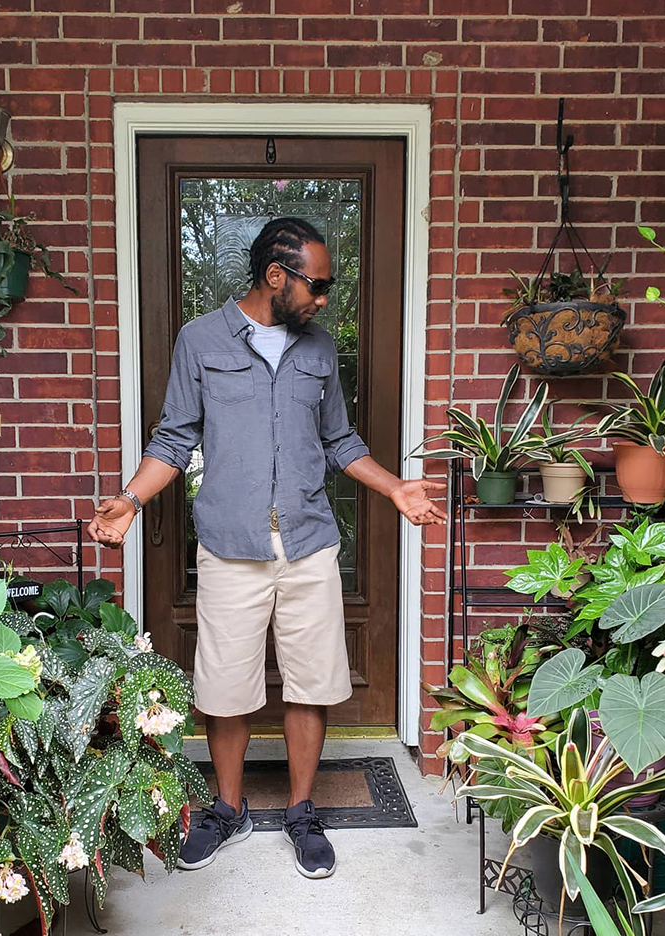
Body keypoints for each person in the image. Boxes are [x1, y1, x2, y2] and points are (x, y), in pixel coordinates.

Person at [88, 217, 446, 880]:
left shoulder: (318, 350)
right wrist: (131, 502)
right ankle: (229, 809)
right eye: (319, 284)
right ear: (275, 276)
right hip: (230, 544)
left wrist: (396, 488)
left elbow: (341, 441)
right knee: (224, 691)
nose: (325, 299)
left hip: (308, 543)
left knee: (310, 685)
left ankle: (303, 810)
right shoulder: (200, 339)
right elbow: (174, 440)